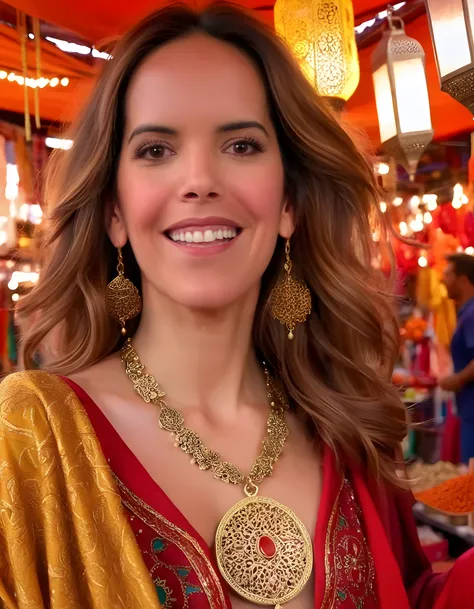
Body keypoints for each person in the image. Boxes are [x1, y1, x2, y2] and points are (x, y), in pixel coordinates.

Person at [0, 4, 472, 609]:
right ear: (114, 211)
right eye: (155, 151)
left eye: (242, 145)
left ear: (288, 204)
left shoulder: (346, 429)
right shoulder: (33, 438)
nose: (199, 179)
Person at [441, 253, 474, 463]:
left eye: (447, 275)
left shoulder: (472, 314)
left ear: (462, 279)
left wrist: (457, 379)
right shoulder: (465, 313)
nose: (442, 280)